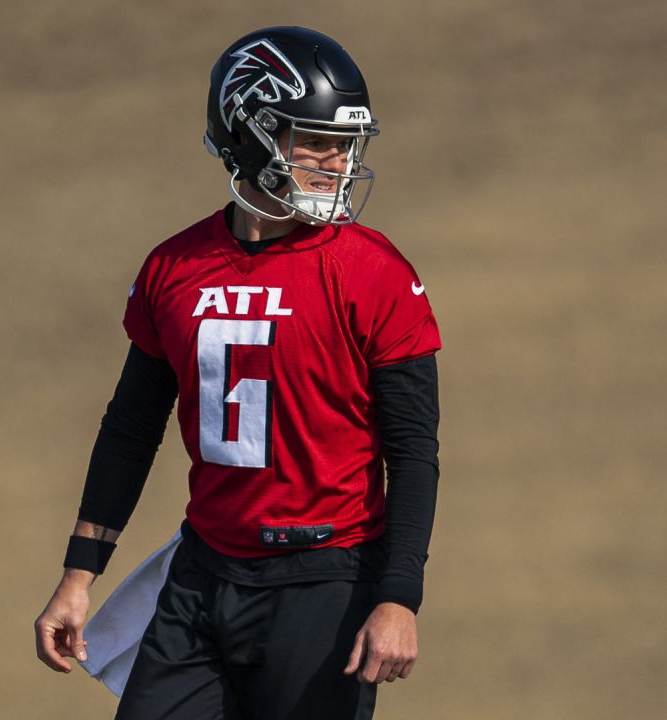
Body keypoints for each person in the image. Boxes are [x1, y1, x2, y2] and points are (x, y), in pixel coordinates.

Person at [32, 26, 441, 719]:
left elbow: (412, 451)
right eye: (315, 141)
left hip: (326, 583)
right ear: (248, 135)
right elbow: (131, 428)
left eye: (345, 146)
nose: (337, 163)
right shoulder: (173, 266)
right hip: (204, 574)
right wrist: (78, 576)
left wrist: (399, 597)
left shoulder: (374, 271)